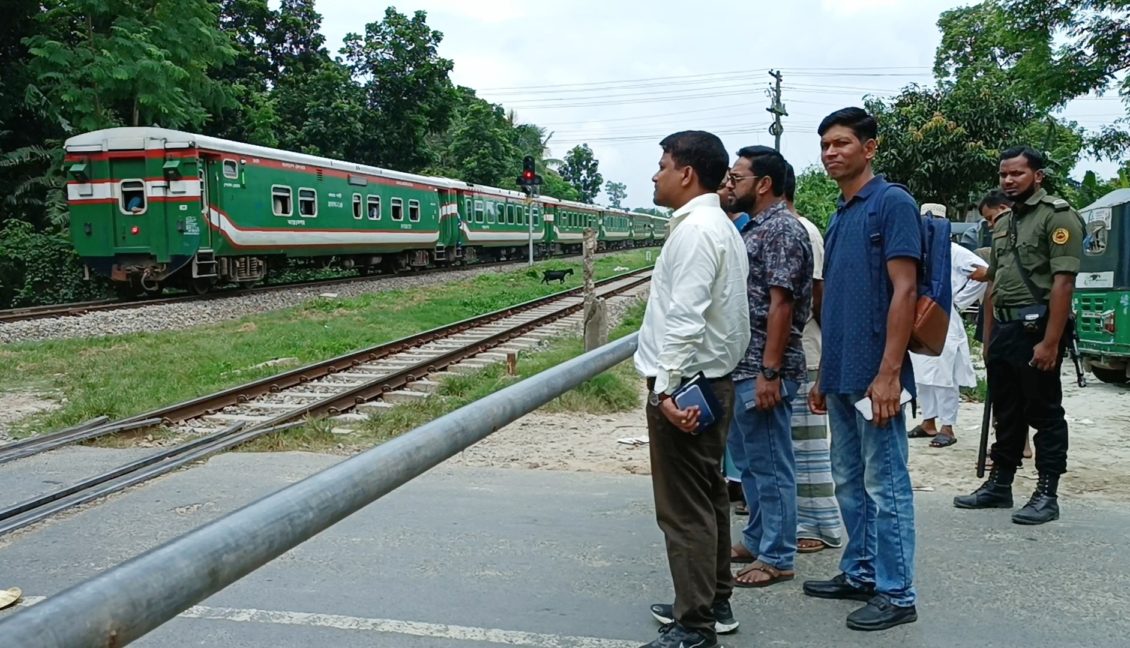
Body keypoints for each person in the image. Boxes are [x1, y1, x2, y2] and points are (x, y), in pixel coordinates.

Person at [803, 107, 920, 631]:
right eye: (826, 144)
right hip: (844, 371)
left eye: (842, 143)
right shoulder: (841, 213)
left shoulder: (891, 203)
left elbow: (905, 290)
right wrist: (825, 371)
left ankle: (898, 593)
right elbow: (838, 303)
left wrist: (890, 372)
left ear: (869, 148)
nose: (831, 153)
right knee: (849, 480)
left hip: (878, 377)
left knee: (886, 485)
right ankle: (861, 569)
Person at [635, 130, 751, 648]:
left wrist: (664, 390)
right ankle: (713, 598)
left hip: (687, 388)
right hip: (708, 383)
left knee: (683, 511)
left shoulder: (697, 230)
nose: (655, 175)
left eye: (662, 165)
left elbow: (685, 318)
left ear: (686, 173)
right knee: (708, 499)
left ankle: (695, 625)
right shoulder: (715, 225)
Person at [954, 146, 1084, 525]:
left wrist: (1050, 342)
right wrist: (989, 339)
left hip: (1039, 326)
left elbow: (1063, 284)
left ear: (1037, 176)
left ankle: (1047, 492)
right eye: (1004, 175)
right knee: (1006, 411)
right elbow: (996, 282)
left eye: (1017, 174)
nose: (1009, 180)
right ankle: (1000, 484)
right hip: (1006, 329)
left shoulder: (1057, 217)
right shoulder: (1004, 223)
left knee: (1043, 411)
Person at [722, 146, 813, 589]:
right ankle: (758, 539)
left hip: (763, 366)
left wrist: (770, 371)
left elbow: (782, 303)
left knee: (773, 464)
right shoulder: (755, 228)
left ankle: (778, 555)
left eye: (737, 177)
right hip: (745, 365)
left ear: (763, 184)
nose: (729, 184)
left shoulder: (781, 230)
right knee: (754, 463)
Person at [783, 163, 844, 553]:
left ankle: (820, 526)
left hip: (806, 352)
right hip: (796, 353)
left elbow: (818, 295)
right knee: (793, 446)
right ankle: (798, 521)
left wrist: (828, 359)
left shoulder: (803, 231)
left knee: (809, 449)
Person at [908, 204, 989, 448]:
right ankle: (928, 421)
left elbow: (984, 274)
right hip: (917, 316)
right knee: (921, 373)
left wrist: (958, 301)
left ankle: (948, 426)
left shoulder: (954, 251)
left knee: (945, 374)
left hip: (943, 316)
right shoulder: (917, 249)